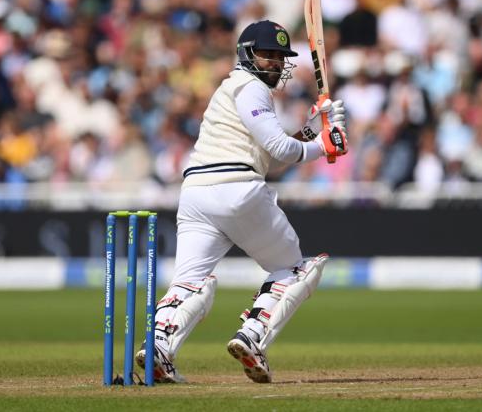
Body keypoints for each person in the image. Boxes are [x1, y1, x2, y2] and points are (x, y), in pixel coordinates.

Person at [135, 20, 347, 383]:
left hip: (197, 194)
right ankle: (252, 335)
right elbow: (281, 148)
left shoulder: (234, 89)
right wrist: (325, 147)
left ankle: (159, 345)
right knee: (295, 269)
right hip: (236, 189)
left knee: (190, 282)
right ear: (247, 55)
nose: (277, 64)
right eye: (268, 55)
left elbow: (270, 152)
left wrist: (315, 128)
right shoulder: (250, 88)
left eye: (280, 57)